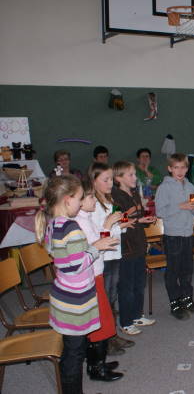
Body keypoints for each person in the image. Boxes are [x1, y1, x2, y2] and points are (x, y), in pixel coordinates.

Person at [34, 175, 120, 393]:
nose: (81, 203)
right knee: (74, 355)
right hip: (75, 301)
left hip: (66, 295)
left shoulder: (54, 223)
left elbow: (63, 260)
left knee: (73, 351)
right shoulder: (70, 228)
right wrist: (96, 247)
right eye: (80, 198)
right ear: (67, 199)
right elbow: (74, 265)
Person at [74, 179, 124, 381]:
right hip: (91, 277)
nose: (94, 200)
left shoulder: (85, 218)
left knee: (102, 320)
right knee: (101, 321)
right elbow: (96, 246)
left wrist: (109, 227)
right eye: (89, 197)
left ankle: (97, 362)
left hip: (96, 274)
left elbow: (100, 241)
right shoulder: (80, 222)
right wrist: (108, 224)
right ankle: (97, 368)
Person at [87, 162, 135, 354]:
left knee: (112, 296)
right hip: (103, 258)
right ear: (94, 181)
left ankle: (112, 334)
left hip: (114, 253)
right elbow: (97, 236)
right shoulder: (93, 205)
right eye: (105, 180)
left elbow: (112, 229)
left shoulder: (108, 200)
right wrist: (111, 224)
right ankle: (104, 339)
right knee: (105, 299)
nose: (110, 183)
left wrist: (121, 225)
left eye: (110, 180)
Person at [155, 153, 194, 319]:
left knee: (187, 270)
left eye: (183, 167)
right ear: (170, 169)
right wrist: (180, 206)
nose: (180, 171)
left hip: (188, 233)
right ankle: (175, 303)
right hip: (173, 236)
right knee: (173, 271)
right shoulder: (164, 187)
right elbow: (160, 212)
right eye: (176, 167)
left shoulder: (190, 187)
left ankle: (187, 299)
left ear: (187, 168)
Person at [111, 161, 157, 335]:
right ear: (118, 178)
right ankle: (126, 321)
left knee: (139, 284)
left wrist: (145, 219)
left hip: (138, 245)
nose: (135, 177)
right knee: (126, 287)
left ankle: (137, 315)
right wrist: (138, 220)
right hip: (126, 249)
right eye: (130, 175)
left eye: (135, 174)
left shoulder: (134, 193)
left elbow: (138, 217)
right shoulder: (115, 197)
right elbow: (121, 221)